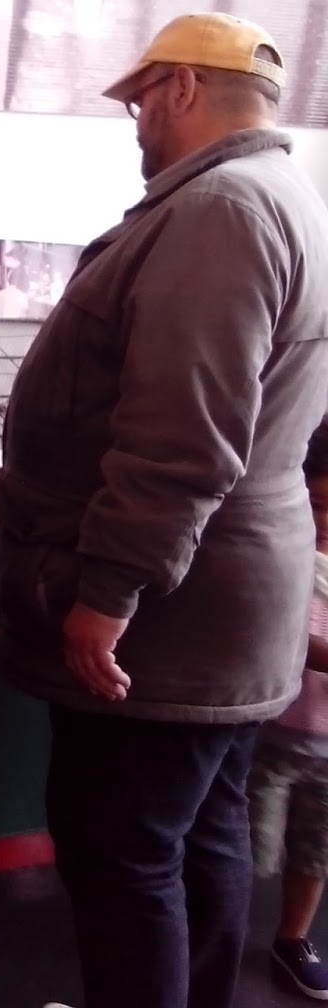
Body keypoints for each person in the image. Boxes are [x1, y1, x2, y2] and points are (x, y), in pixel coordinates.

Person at [0, 12, 328, 1008]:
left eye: (140, 102)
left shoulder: (220, 209)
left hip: (172, 618)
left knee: (123, 852)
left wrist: (108, 593)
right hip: (227, 603)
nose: (137, 124)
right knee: (201, 831)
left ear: (181, 87)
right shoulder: (284, 195)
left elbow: (183, 436)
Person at [248, 419, 328, 1000]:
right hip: (271, 739)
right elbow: (285, 639)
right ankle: (207, 929)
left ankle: (293, 939)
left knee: (315, 852)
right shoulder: (283, 552)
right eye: (318, 505)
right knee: (249, 850)